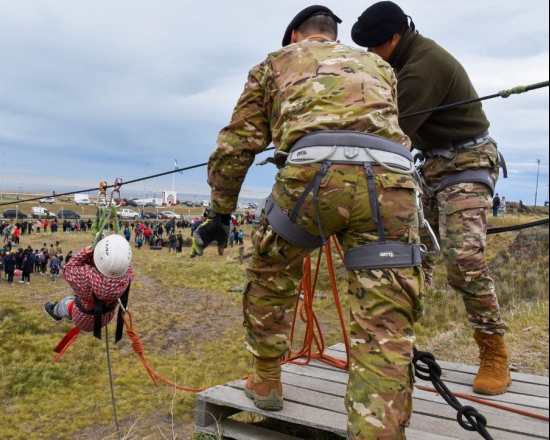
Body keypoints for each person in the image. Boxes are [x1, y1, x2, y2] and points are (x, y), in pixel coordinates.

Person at [194, 6, 422, 439]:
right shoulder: (378, 65)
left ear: (296, 35)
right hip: (391, 185)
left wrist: (221, 213)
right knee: (384, 321)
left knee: (270, 268)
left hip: (313, 176)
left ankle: (266, 377)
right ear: (332, 35)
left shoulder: (274, 62)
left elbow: (236, 146)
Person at [352, 1, 510, 397]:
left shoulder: (422, 67)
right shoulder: (399, 63)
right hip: (433, 167)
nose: (371, 55)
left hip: (467, 164)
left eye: (374, 47)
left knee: (464, 260)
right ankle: (395, 346)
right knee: (410, 257)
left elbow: (389, 132)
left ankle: (494, 353)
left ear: (393, 38)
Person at [44, 235, 134, 334]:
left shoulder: (86, 277)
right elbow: (125, 266)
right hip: (105, 317)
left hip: (83, 318)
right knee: (81, 297)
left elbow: (68, 268)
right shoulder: (126, 278)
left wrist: (83, 254)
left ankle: (55, 312)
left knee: (67, 302)